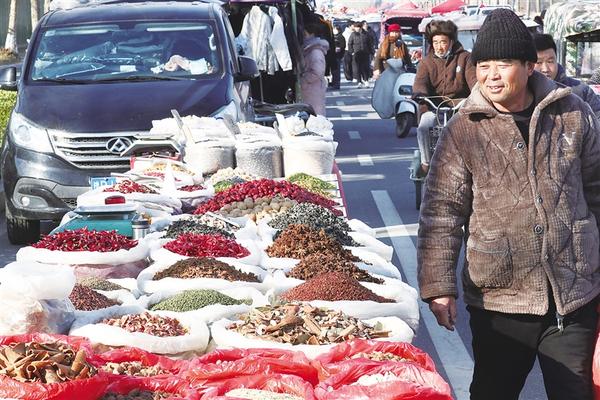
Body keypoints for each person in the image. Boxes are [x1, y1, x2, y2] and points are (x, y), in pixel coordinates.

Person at [417, 9, 600, 400]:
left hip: (572, 293)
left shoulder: (573, 114)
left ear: (530, 67)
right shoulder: (463, 129)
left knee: (574, 392)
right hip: (499, 299)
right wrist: (438, 286)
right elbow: (442, 213)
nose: (491, 75)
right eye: (483, 66)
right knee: (493, 392)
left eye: (503, 64)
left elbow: (597, 190)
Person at [412, 19, 476, 176]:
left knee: (475, 128)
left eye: (443, 42)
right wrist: (420, 95)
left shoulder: (465, 58)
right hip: (433, 107)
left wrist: (477, 93)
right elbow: (420, 83)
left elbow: (474, 80)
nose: (439, 46)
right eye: (435, 42)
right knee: (425, 125)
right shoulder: (426, 63)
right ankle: (426, 162)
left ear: (451, 42)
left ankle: (474, 163)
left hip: (460, 106)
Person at [533, 33, 600, 118]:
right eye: (538, 62)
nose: (545, 69)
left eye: (550, 61)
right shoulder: (522, 94)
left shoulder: (581, 91)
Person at [300, 21, 329, 116]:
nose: (303, 36)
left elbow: (317, 71)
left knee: (315, 115)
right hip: (311, 88)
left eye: (305, 34)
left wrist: (304, 79)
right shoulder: (310, 49)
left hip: (313, 88)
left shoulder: (315, 52)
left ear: (312, 34)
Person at [347, 21, 373, 88]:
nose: (357, 28)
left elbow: (370, 43)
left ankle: (366, 80)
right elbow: (349, 43)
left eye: (358, 27)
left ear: (361, 27)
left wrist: (371, 52)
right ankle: (359, 82)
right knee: (357, 68)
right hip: (356, 54)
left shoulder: (366, 34)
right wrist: (352, 52)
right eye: (355, 27)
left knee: (365, 67)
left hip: (365, 53)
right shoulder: (353, 34)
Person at [329, 25, 346, 90]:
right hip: (332, 56)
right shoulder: (332, 37)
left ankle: (337, 84)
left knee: (336, 71)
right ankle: (333, 83)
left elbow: (342, 46)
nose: (334, 30)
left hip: (337, 56)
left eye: (335, 29)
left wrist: (338, 49)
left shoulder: (341, 37)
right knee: (333, 71)